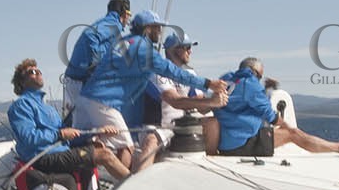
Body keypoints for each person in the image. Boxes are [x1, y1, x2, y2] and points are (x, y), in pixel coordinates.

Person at [74, 10, 227, 171]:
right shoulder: (144, 51)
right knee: (125, 147)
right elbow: (172, 74)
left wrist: (213, 100)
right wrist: (209, 83)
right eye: (157, 27)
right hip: (103, 102)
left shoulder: (124, 42)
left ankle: (85, 185)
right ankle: (128, 188)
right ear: (147, 28)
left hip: (86, 98)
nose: (160, 31)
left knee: (82, 143)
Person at [8, 59, 130, 190]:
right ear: (22, 82)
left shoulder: (47, 108)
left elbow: (68, 135)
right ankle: (138, 187)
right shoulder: (21, 105)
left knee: (98, 147)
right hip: (43, 158)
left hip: (59, 153)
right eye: (32, 72)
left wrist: (96, 132)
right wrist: (59, 134)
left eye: (39, 71)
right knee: (105, 155)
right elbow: (28, 138)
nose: (38, 73)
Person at [204, 57, 339, 157]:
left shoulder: (227, 79)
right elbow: (270, 115)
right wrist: (289, 127)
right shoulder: (250, 83)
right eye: (260, 75)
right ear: (254, 71)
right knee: (293, 134)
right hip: (241, 144)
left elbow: (241, 102)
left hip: (225, 140)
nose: (259, 79)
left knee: (289, 132)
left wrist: (265, 90)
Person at [130, 29, 225, 172]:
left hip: (182, 127)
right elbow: (175, 101)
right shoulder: (156, 73)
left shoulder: (190, 73)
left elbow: (201, 105)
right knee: (151, 141)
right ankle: (136, 184)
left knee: (212, 123)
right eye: (187, 48)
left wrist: (217, 100)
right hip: (160, 127)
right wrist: (210, 102)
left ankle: (210, 167)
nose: (190, 52)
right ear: (174, 50)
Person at [63, 0, 131, 124]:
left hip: (77, 80)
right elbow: (90, 36)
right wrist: (96, 66)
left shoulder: (107, 23)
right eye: (129, 14)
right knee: (93, 123)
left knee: (83, 123)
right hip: (81, 81)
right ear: (123, 12)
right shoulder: (113, 24)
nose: (129, 19)